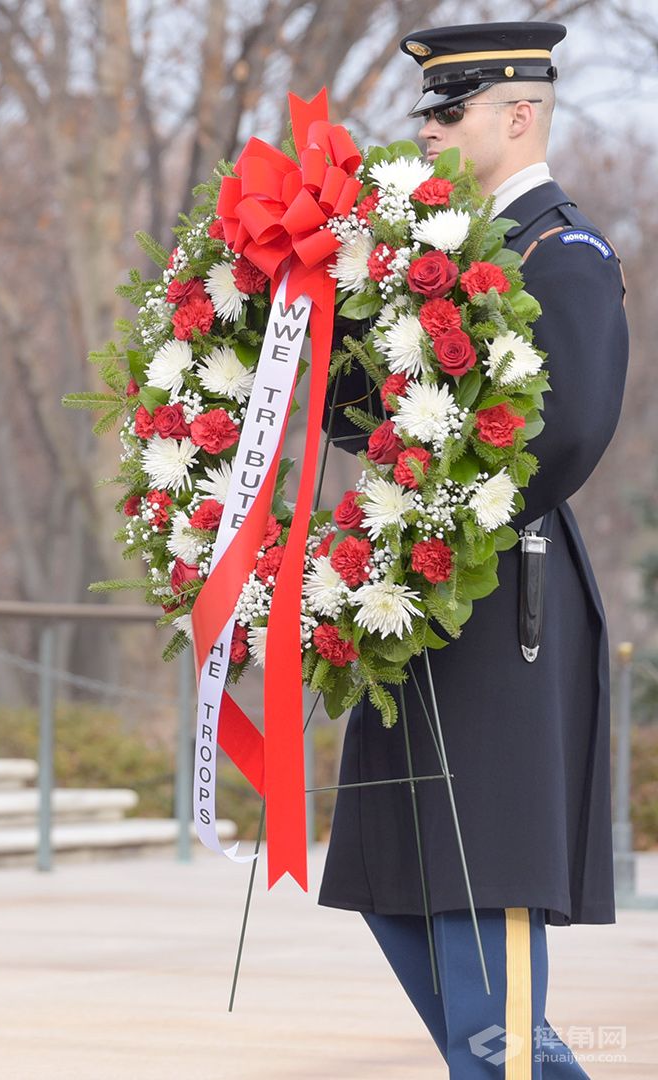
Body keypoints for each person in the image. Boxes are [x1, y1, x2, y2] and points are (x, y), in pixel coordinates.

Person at [320, 22, 626, 1077]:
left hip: (503, 605)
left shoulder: (563, 253)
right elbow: (377, 412)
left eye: (451, 112)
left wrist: (435, 519)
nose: (434, 131)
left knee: (479, 897)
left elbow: (574, 427)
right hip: (419, 596)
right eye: (429, 114)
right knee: (399, 882)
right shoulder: (442, 257)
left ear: (520, 114)